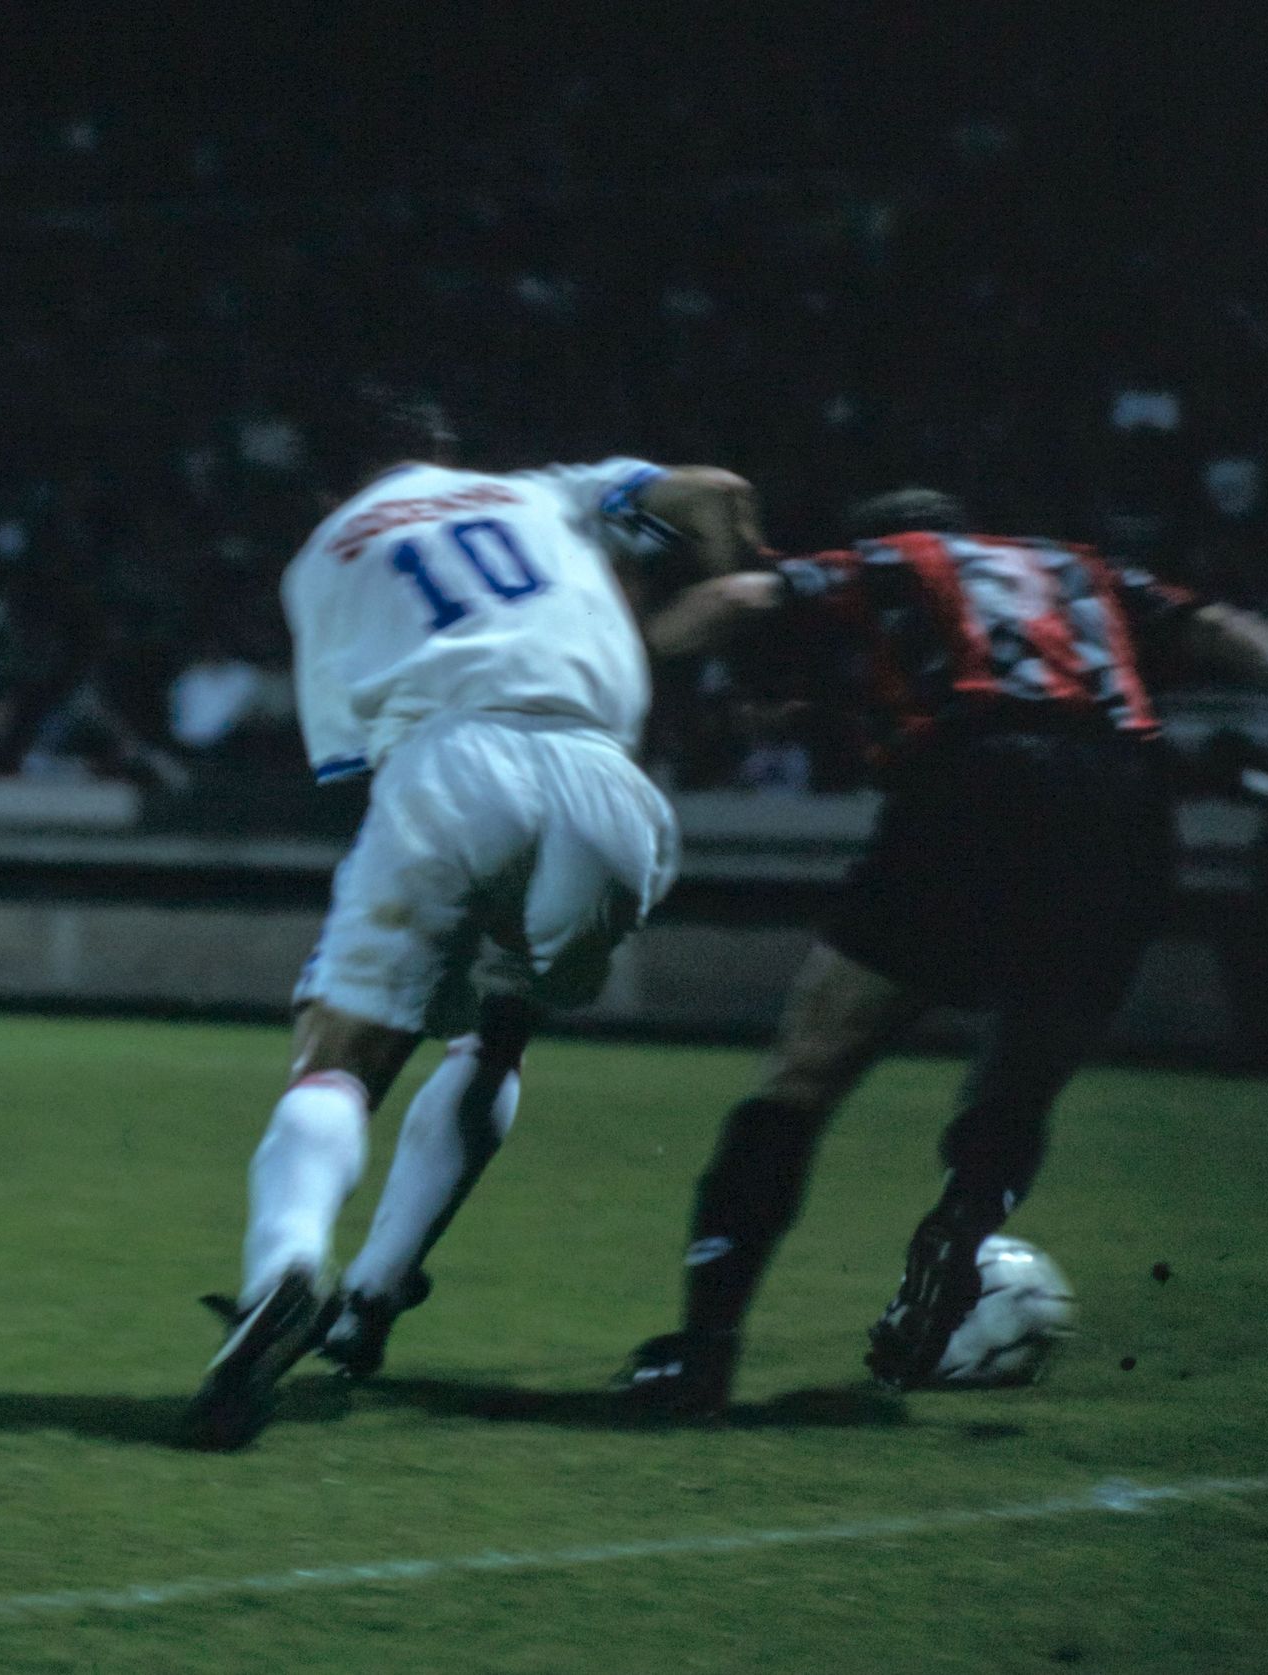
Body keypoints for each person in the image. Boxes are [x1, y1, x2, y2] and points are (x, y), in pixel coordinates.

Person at [615, 488, 1268, 1414]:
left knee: (805, 1074)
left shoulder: (900, 562)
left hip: (976, 781)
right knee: (1018, 1080)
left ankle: (702, 1347)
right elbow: (1226, 628)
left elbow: (739, 599)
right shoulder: (1081, 566)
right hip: (1125, 807)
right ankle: (967, 1213)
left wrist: (606, 662)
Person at [185, 386, 763, 1449]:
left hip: (454, 760)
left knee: (340, 1057)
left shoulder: (324, 554)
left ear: (327, 482)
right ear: (447, 447)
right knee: (495, 1036)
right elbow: (708, 492)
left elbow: (347, 762)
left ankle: (284, 1271)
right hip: (611, 786)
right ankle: (372, 1297)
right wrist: (728, 577)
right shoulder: (542, 494)